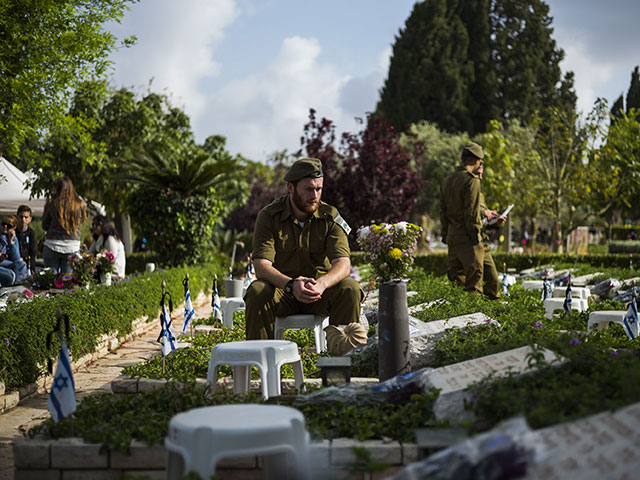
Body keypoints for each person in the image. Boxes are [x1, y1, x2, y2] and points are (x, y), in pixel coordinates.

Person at [244, 157, 364, 342]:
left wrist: (322, 284)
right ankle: (261, 360)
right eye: (308, 189)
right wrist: (291, 285)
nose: (315, 196)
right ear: (290, 187)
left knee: (350, 288)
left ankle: (341, 363)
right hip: (282, 292)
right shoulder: (269, 216)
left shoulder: (330, 217)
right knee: (257, 291)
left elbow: (343, 263)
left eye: (319, 189)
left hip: (319, 292)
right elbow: (261, 266)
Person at [440, 142, 485, 294]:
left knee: (456, 282)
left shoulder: (448, 180)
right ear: (476, 160)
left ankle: (456, 316)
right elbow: (471, 213)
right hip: (467, 235)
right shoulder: (471, 180)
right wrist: (477, 236)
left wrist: (445, 234)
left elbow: (443, 212)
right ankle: (473, 317)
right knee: (474, 282)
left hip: (452, 235)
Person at [42, 176, 87, 274]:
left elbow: (44, 225)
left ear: (57, 188)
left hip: (51, 245)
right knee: (68, 282)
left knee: (49, 281)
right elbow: (80, 223)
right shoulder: (79, 204)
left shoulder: (51, 203)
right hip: (72, 247)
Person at [474, 164, 506, 300]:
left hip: (483, 241)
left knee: (493, 280)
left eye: (482, 175)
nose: (480, 178)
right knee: (475, 283)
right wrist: (484, 212)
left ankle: (492, 313)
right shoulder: (465, 193)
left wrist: (495, 222)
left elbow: (483, 223)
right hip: (471, 242)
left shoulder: (480, 195)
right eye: (477, 174)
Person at [0, 215, 29, 286]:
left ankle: (18, 287)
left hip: (7, 263)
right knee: (10, 274)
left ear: (13, 228)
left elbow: (16, 259)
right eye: (4, 224)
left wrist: (11, 242)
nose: (5, 227)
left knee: (22, 264)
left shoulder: (13, 239)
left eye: (9, 226)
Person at [16, 205, 37, 275]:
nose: (23, 219)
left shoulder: (31, 233)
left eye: (26, 217)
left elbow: (33, 251)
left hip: (27, 264)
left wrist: (32, 268)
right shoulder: (13, 232)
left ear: (30, 219)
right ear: (17, 217)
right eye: (21, 217)